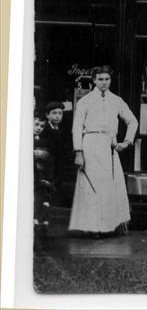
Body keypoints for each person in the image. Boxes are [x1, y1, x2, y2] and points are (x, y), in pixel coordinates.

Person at [69, 65, 138, 237]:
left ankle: (114, 223)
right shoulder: (85, 101)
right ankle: (94, 227)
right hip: (90, 144)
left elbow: (132, 121)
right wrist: (78, 151)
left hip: (109, 145)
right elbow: (76, 127)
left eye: (107, 79)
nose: (104, 83)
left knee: (112, 185)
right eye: (100, 79)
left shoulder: (116, 100)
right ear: (93, 80)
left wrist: (127, 142)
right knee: (92, 186)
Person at [39, 101, 73, 206]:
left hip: (59, 163)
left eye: (60, 113)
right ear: (47, 115)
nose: (57, 116)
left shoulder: (62, 130)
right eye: (54, 113)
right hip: (48, 163)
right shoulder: (44, 129)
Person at [33, 115, 54, 248]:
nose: (39, 128)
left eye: (42, 126)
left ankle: (40, 233)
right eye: (36, 125)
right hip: (31, 177)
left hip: (41, 177)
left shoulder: (43, 142)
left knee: (42, 204)